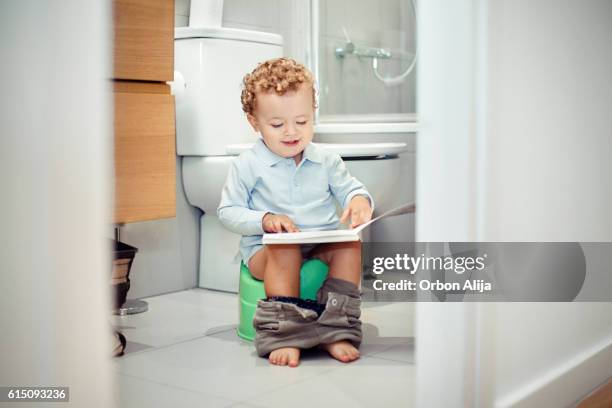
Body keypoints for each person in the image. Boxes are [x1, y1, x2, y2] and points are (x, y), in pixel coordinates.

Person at [218, 58, 373, 367]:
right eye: (277, 125)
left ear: (313, 115)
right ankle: (285, 334)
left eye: (302, 122)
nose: (291, 132)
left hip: (318, 240)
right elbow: (227, 211)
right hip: (268, 248)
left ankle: (335, 327)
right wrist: (265, 220)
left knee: (349, 247)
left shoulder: (326, 160)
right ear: (254, 122)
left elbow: (351, 188)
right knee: (285, 248)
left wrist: (359, 201)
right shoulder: (247, 164)